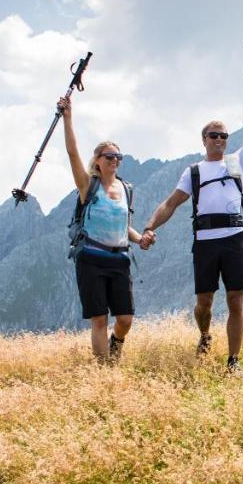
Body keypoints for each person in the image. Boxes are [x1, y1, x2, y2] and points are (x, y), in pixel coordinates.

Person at [141, 81, 243, 371]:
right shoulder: (193, 172)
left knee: (236, 299)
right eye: (213, 135)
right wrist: (149, 227)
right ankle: (205, 335)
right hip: (205, 241)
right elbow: (170, 203)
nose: (219, 139)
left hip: (234, 238)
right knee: (204, 302)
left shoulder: (237, 162)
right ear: (204, 139)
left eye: (223, 135)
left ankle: (233, 362)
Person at [58, 94, 145, 365]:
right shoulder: (88, 186)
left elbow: (124, 226)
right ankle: (103, 371)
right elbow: (72, 152)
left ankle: (115, 343)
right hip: (91, 259)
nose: (115, 160)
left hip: (119, 259)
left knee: (125, 319)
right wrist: (67, 118)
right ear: (97, 160)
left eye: (118, 156)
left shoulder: (126, 189)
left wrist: (141, 238)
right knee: (99, 319)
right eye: (109, 156)